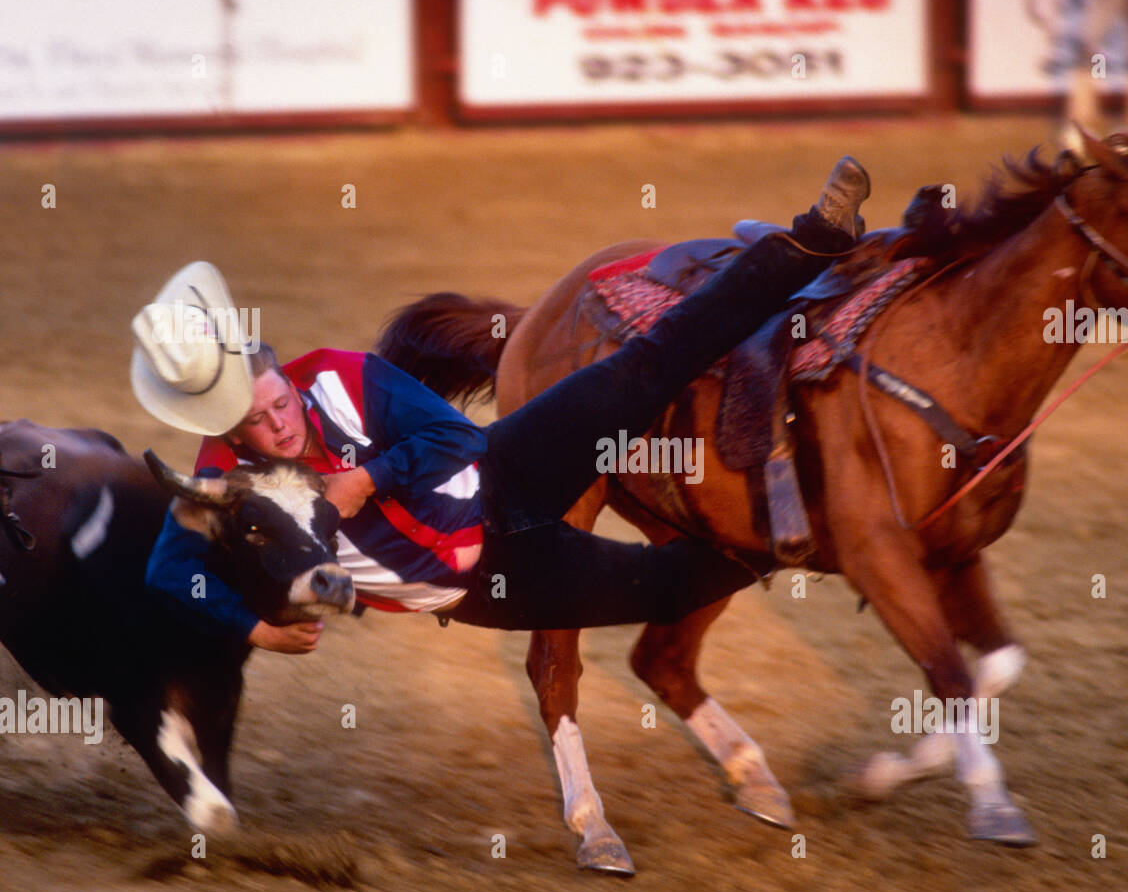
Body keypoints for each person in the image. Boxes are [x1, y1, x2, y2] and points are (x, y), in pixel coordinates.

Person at [135, 158, 869, 654]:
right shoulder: (220, 481)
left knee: (643, 369)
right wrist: (253, 630)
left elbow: (457, 437)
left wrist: (369, 479)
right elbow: (168, 573)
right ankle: (804, 533)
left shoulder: (339, 373)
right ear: (228, 432)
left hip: (506, 470)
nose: (278, 424)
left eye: (277, 401)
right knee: (672, 590)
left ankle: (810, 243)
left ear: (274, 368)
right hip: (480, 585)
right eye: (256, 425)